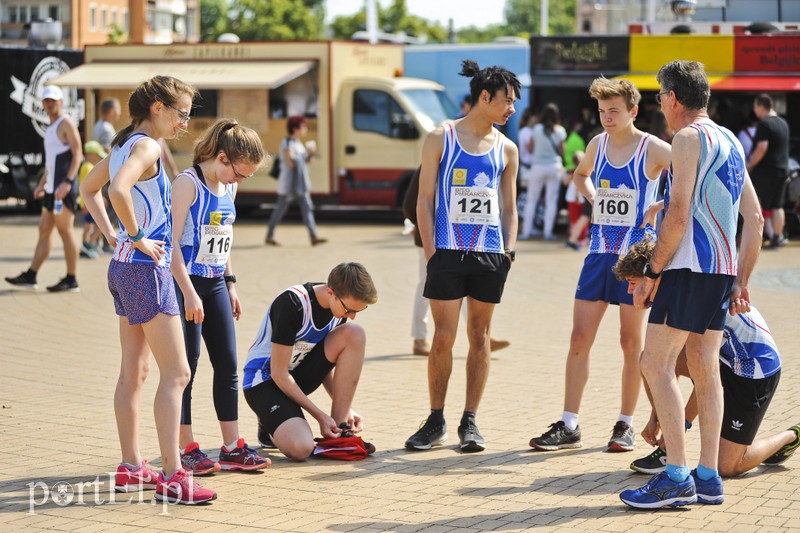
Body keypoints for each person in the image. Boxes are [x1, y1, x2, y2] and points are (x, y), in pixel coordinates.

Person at [620, 60, 764, 509]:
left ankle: (677, 476)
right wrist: (741, 279)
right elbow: (755, 219)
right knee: (705, 370)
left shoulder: (686, 138)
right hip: (720, 272)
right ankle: (707, 477)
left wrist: (651, 273)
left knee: (654, 363)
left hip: (687, 269)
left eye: (660, 95)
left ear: (673, 97)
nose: (659, 102)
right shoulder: (731, 142)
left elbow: (679, 214)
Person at [80, 75, 217, 504]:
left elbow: (90, 189)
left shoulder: (124, 143)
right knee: (177, 373)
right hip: (144, 268)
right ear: (157, 107)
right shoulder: (147, 146)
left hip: (123, 269)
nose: (184, 122)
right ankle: (174, 475)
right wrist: (135, 235)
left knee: (134, 373)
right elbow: (116, 190)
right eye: (181, 113)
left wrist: (115, 236)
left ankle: (130, 466)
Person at [529, 77, 671, 454]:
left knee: (630, 343)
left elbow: (690, 175)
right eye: (602, 111)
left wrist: (661, 206)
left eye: (614, 111)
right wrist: (593, 198)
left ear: (633, 111)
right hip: (597, 254)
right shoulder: (598, 144)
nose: (607, 118)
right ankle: (569, 423)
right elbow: (580, 175)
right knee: (579, 338)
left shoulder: (653, 148)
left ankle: (624, 423)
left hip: (634, 259)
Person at [406, 60, 520, 453]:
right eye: (507, 101)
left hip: (490, 255)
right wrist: (431, 251)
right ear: (484, 97)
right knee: (443, 337)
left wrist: (509, 250)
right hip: (447, 252)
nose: (512, 109)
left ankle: (469, 421)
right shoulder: (441, 137)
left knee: (480, 335)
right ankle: (435, 417)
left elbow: (509, 208)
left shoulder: (507, 148)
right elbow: (423, 200)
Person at [615, 240, 800, 480]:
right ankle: (668, 447)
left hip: (756, 371)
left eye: (632, 283)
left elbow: (704, 375)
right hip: (725, 364)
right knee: (651, 358)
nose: (630, 292)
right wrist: (658, 417)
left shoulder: (687, 299)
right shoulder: (674, 293)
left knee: (728, 467)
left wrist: (678, 424)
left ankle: (791, 436)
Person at [171, 119, 270, 474]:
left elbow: (224, 236)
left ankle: (231, 446)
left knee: (227, 365)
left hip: (214, 283)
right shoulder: (188, 183)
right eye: (239, 173)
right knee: (186, 369)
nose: (240, 181)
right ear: (223, 158)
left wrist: (230, 284)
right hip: (186, 284)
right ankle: (186, 447)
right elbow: (172, 248)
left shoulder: (229, 188)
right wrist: (187, 294)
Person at [242, 262, 378, 461]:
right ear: (331, 292)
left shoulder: (338, 308)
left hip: (295, 377)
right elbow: (278, 373)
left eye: (359, 310)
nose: (352, 315)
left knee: (355, 333)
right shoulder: (292, 303)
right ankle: (269, 420)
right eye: (350, 310)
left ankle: (339, 431)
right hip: (265, 381)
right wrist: (320, 416)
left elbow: (322, 364)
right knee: (301, 449)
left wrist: (345, 407)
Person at [402, 167, 511, 356]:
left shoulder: (465, 163)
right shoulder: (432, 161)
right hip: (432, 241)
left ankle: (481, 335)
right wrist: (426, 228)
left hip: (459, 241)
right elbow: (411, 204)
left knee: (466, 288)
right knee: (425, 286)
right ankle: (420, 338)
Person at [5, 85, 82, 292]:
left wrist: (67, 182)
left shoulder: (66, 123)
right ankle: (31, 275)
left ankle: (71, 279)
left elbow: (78, 155)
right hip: (51, 189)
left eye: (53, 100)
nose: (50, 104)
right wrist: (41, 185)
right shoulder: (50, 127)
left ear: (61, 102)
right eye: (47, 101)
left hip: (62, 190)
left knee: (65, 231)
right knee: (44, 230)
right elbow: (51, 162)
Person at [265, 115, 327, 247]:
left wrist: (310, 153)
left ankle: (313, 236)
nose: (305, 129)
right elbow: (291, 163)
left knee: (307, 208)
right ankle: (269, 236)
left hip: (301, 184)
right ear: (295, 128)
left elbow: (306, 162)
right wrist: (305, 155)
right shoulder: (286, 143)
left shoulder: (298, 143)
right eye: (303, 126)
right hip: (288, 184)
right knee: (280, 210)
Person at [748, 94, 790, 249]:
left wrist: (751, 165)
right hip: (782, 170)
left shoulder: (764, 124)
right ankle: (777, 238)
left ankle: (755, 239)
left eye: (755, 106)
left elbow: (762, 147)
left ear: (761, 106)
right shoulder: (783, 123)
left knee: (757, 205)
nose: (754, 110)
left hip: (766, 171)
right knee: (777, 206)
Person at [519, 103, 566, 241]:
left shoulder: (537, 129)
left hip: (537, 167)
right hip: (554, 167)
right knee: (551, 200)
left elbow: (530, 148)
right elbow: (562, 150)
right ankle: (548, 232)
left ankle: (526, 232)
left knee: (531, 200)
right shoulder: (560, 130)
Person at [78, 140, 108, 259]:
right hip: (90, 203)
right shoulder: (88, 167)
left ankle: (86, 246)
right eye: (98, 156)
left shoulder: (86, 166)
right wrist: (87, 203)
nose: (99, 159)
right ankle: (88, 244)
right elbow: (88, 187)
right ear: (91, 155)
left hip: (88, 202)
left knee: (88, 225)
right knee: (102, 226)